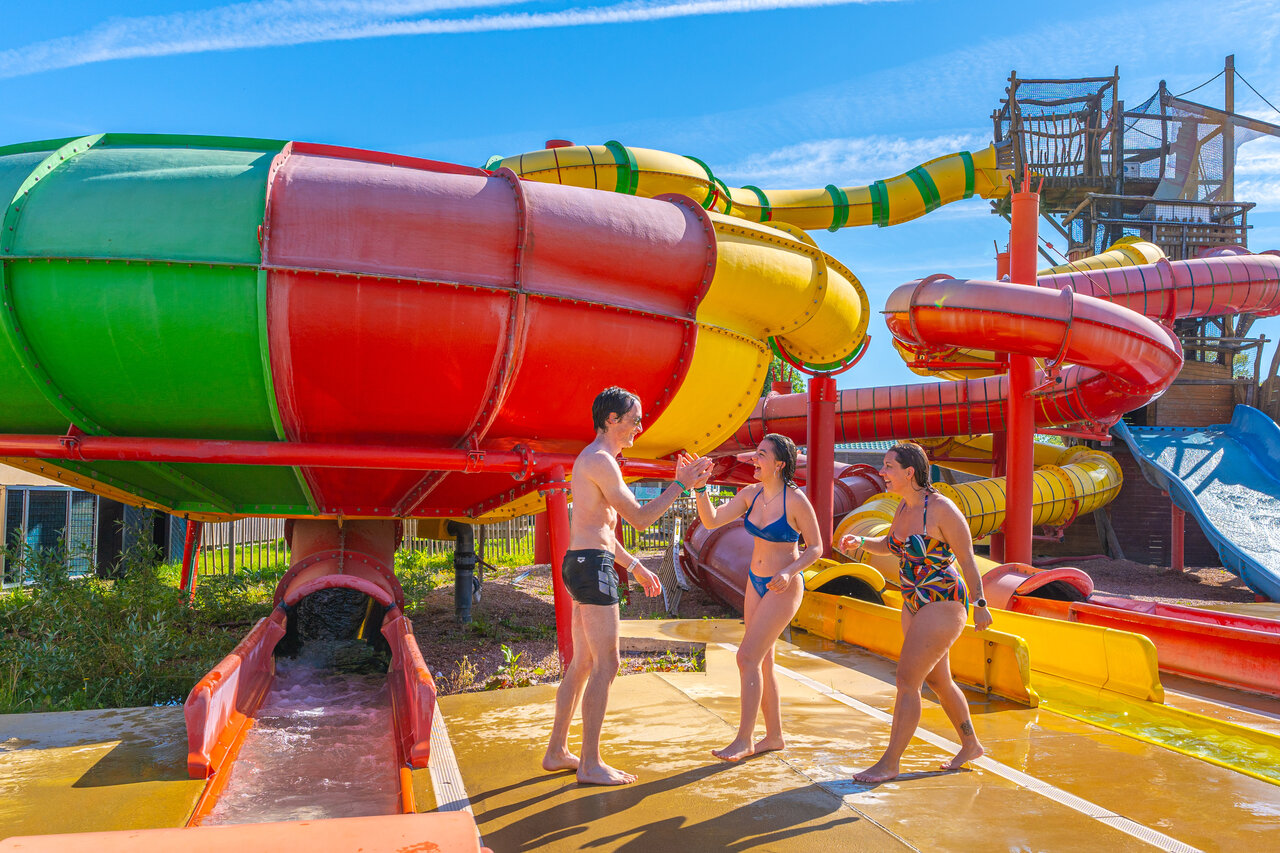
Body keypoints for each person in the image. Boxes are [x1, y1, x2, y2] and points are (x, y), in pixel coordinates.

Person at [541, 386, 702, 785]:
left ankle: (558, 750)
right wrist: (680, 484)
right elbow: (641, 519)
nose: (639, 427)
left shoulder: (595, 460)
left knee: (583, 663)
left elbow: (601, 529)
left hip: (582, 562)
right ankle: (590, 763)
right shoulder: (600, 460)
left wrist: (636, 567)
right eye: (634, 419)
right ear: (611, 419)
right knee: (607, 664)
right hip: (590, 567)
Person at [838, 441, 992, 782]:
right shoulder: (903, 508)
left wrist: (980, 604)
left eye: (889, 467)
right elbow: (892, 547)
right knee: (939, 680)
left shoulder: (942, 509)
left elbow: (967, 558)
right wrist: (861, 543)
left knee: (907, 680)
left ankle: (890, 762)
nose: (882, 472)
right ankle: (971, 744)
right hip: (913, 602)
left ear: (910, 472)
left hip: (943, 600)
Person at [688, 433, 822, 762]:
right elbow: (712, 520)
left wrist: (791, 571)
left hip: (784, 586)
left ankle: (744, 739)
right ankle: (774, 736)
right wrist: (700, 488)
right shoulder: (751, 494)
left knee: (746, 658)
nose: (753, 459)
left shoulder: (796, 501)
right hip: (755, 581)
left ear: (779, 464)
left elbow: (817, 547)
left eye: (760, 455)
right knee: (763, 661)